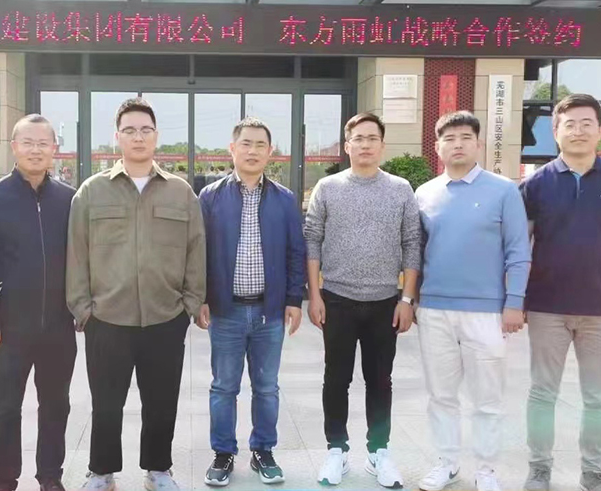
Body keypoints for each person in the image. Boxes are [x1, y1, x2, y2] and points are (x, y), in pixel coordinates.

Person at [67, 98, 206, 491]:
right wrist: (83, 308)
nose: (138, 137)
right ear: (117, 137)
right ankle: (101, 472)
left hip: (165, 317)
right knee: (106, 404)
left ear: (156, 136)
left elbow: (196, 250)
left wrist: (189, 305)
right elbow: (76, 253)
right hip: (107, 318)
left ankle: (158, 470)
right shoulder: (92, 192)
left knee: (162, 401)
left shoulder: (180, 192)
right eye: (129, 130)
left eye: (145, 130)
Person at [520, 94, 601, 491]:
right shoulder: (535, 185)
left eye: (586, 123)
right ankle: (539, 469)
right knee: (542, 393)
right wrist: (516, 297)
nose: (578, 131)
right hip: (546, 309)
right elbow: (518, 246)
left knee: (598, 397)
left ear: (600, 130)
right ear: (556, 131)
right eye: (569, 124)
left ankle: (593, 472)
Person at [414, 111, 532, 491]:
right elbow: (416, 251)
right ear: (437, 147)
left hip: (487, 312)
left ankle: (486, 469)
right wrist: (412, 300)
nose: (458, 144)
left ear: (478, 143)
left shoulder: (504, 191)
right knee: (441, 395)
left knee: (487, 398)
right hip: (434, 310)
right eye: (449, 139)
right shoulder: (424, 193)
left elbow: (518, 251)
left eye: (465, 137)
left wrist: (514, 301)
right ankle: (447, 463)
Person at [305, 112, 421, 488]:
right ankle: (336, 449)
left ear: (382, 145)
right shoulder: (328, 187)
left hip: (385, 301)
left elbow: (411, 243)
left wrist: (407, 298)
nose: (365, 144)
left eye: (372, 138)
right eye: (359, 138)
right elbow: (312, 240)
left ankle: (378, 451)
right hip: (337, 299)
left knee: (380, 380)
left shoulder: (400, 189)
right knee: (335, 378)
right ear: (347, 145)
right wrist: (314, 294)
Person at [0, 114, 77, 491]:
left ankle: (50, 475)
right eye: (27, 142)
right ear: (14, 147)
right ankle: (3, 477)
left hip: (59, 326)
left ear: (54, 149)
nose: (35, 150)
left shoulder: (68, 199)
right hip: (9, 326)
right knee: (6, 405)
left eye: (43, 143)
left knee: (57, 404)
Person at [197, 118, 307, 487]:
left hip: (268, 312)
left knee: (267, 387)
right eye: (246, 143)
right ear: (232, 149)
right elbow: (199, 252)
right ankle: (223, 454)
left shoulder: (284, 199)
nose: (253, 150)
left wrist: (294, 299)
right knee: (223, 387)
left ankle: (263, 451)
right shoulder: (210, 197)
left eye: (260, 144)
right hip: (225, 311)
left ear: (270, 152)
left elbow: (296, 252)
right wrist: (202, 297)